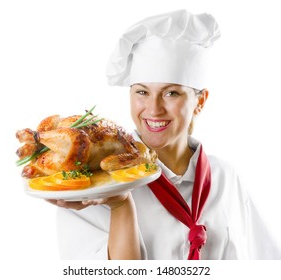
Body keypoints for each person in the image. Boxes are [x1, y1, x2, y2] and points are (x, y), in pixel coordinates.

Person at [47, 9, 281, 260]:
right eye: (142, 92)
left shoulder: (226, 177)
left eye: (172, 93)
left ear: (200, 101)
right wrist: (119, 204)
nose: (154, 109)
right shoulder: (93, 186)